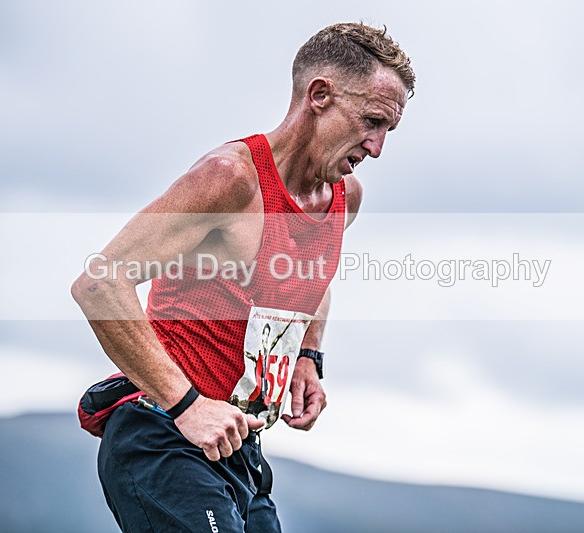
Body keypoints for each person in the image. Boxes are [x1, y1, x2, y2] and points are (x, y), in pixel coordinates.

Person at [71, 21, 415, 532]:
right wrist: (187, 406)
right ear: (319, 95)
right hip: (164, 434)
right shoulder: (231, 179)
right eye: (372, 121)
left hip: (237, 448)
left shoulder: (345, 198)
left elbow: (312, 275)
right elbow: (100, 283)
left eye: (389, 130)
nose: (378, 147)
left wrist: (307, 357)